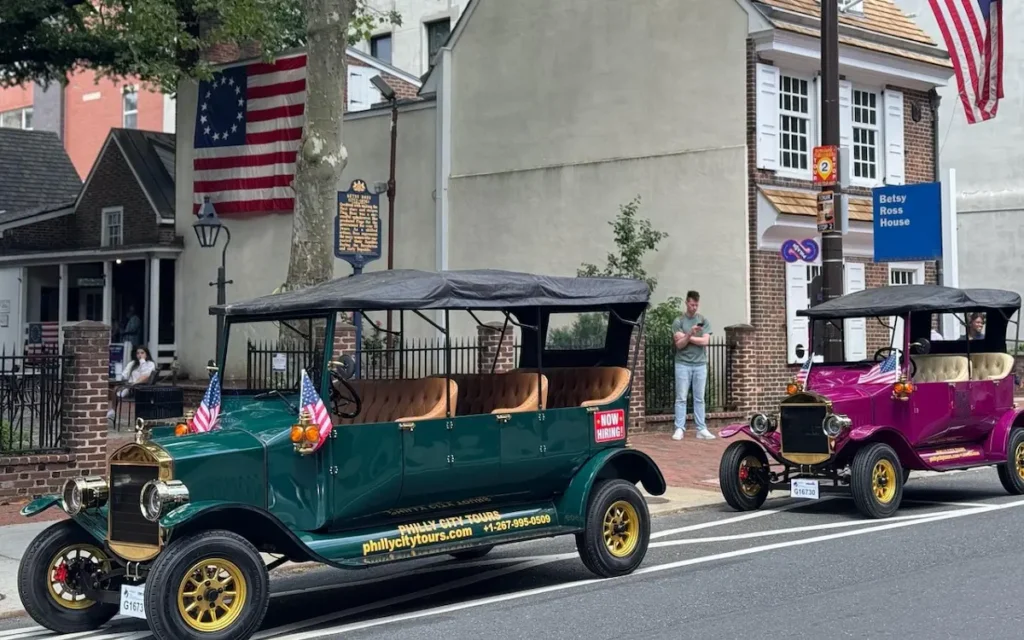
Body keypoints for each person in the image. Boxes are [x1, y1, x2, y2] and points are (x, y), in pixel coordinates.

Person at [671, 291, 715, 441]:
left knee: (699, 398)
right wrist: (690, 333)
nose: (694, 307)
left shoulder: (703, 320)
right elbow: (679, 345)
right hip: (682, 364)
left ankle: (701, 428)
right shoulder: (679, 321)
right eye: (692, 304)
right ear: (686, 302)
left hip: (700, 364)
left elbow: (705, 341)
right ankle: (679, 428)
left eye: (696, 304)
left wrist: (688, 337)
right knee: (681, 397)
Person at [106, 346, 156, 422]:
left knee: (144, 377)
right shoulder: (132, 363)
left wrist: (142, 362)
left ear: (146, 354)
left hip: (142, 387)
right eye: (138, 353)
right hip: (130, 386)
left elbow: (146, 375)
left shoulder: (150, 364)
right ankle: (113, 410)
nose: (140, 355)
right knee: (115, 389)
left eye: (142, 353)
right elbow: (124, 375)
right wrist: (118, 377)